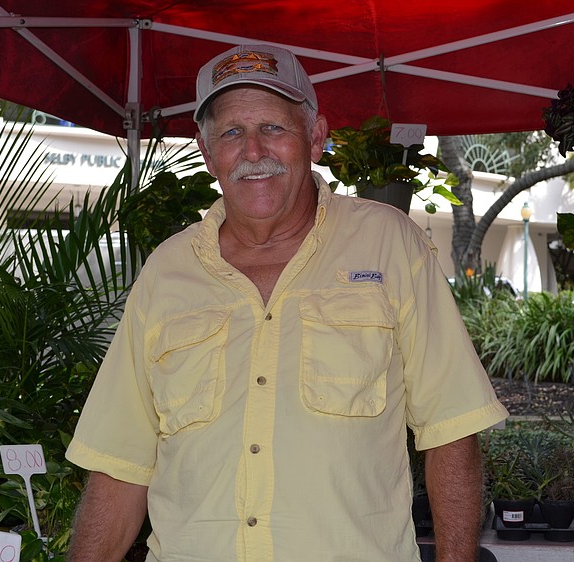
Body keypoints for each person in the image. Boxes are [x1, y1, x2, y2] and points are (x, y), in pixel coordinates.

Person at [65, 44, 508, 562]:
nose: (253, 151)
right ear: (207, 152)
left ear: (315, 137)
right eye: (231, 133)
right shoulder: (166, 272)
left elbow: (451, 430)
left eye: (273, 127)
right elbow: (120, 465)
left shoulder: (390, 245)